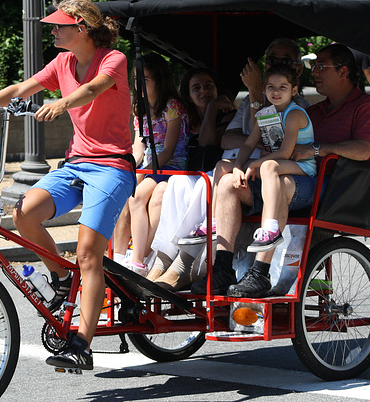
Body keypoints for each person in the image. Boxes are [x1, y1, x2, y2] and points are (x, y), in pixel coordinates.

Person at [0, 0, 134, 371]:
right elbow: (20, 88)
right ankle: (62, 277)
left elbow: (95, 88)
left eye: (59, 25)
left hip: (112, 167)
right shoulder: (62, 62)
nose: (52, 30)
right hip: (77, 163)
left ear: (81, 27)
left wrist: (63, 104)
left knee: (89, 254)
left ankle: (81, 344)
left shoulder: (113, 59)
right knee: (24, 214)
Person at [195, 43, 370, 298]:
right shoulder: (314, 111)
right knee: (230, 184)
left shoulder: (366, 106)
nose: (314, 72)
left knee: (282, 183)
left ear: (342, 71)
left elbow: (364, 150)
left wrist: (318, 149)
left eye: (320, 66)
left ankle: (260, 273)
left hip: (335, 186)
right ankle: (221, 269)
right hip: (292, 177)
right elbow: (270, 141)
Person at [150, 38, 309, 291]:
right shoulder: (250, 103)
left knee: (211, 180)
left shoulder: (296, 107)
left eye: (283, 62)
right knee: (206, 178)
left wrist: (258, 94)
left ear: (297, 74)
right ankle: (203, 266)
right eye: (271, 61)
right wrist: (242, 162)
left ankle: (186, 263)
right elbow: (229, 139)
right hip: (248, 170)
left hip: (279, 173)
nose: (274, 67)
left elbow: (275, 144)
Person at [142, 67, 235, 287]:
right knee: (176, 182)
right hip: (192, 178)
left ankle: (182, 266)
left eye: (208, 86)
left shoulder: (229, 116)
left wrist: (212, 109)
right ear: (188, 95)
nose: (204, 91)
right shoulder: (186, 120)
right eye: (197, 88)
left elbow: (207, 141)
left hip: (219, 177)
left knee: (204, 183)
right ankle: (160, 263)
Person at [114, 52, 189, 276]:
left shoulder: (172, 107)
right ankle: (117, 258)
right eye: (136, 80)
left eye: (144, 80)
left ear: (159, 80)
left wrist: (144, 172)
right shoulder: (140, 109)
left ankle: (139, 259)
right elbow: (139, 148)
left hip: (172, 166)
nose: (139, 85)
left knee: (137, 196)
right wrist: (131, 168)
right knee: (122, 190)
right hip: (151, 166)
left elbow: (168, 149)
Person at [231, 64, 316, 255]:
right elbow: (248, 145)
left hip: (302, 165)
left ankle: (270, 228)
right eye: (271, 87)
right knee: (225, 167)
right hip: (280, 163)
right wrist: (238, 166)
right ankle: (211, 223)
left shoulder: (294, 114)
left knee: (268, 166)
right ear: (264, 89)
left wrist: (254, 163)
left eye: (282, 87)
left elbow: (285, 153)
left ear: (294, 90)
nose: (276, 92)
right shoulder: (265, 114)